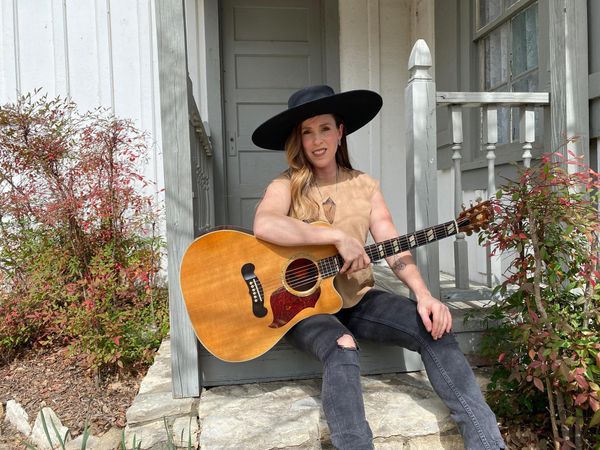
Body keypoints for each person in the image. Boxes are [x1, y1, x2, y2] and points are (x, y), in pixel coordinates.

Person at [251, 85, 505, 450]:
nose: (317, 140)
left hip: (356, 299)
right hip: (302, 307)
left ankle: (488, 443)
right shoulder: (286, 184)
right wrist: (337, 237)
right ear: (299, 140)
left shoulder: (365, 186)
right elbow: (265, 224)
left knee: (433, 327)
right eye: (307, 132)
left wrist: (424, 295)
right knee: (341, 346)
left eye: (325, 129)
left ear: (340, 132)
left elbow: (393, 246)